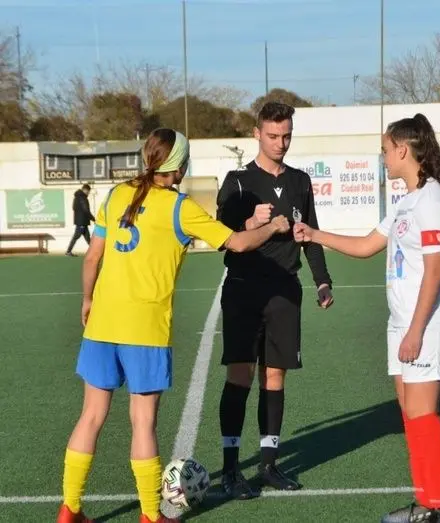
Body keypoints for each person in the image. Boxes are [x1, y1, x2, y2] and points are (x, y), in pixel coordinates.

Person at [56, 128, 290, 523]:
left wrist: (87, 299)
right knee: (143, 422)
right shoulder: (180, 208)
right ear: (179, 167)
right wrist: (273, 227)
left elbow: (92, 257)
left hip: (102, 324)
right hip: (144, 329)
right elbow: (237, 243)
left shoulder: (115, 195)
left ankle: (69, 509)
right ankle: (151, 515)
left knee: (90, 416)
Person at [293, 113, 440, 523]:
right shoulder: (407, 202)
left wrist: (416, 331)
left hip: (427, 323)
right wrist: (314, 235)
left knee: (423, 416)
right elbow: (368, 245)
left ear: (403, 150)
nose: (383, 157)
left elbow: (435, 271)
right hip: (401, 323)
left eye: (385, 150)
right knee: (411, 415)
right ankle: (426, 505)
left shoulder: (432, 200)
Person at [216, 101, 334, 499]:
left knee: (275, 376)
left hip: (285, 289)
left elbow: (311, 234)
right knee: (240, 375)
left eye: (286, 136)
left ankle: (268, 465)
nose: (280, 143)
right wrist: (249, 223)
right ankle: (230, 469)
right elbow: (222, 237)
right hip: (244, 288)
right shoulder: (237, 182)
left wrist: (322, 281)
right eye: (272, 135)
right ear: (256, 134)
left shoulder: (300, 181)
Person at [66, 184, 96, 256]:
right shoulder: (83, 198)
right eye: (88, 191)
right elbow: (86, 210)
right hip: (82, 222)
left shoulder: (76, 198)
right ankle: (68, 251)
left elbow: (74, 208)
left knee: (87, 238)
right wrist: (94, 219)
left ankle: (94, 251)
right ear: (85, 190)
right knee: (76, 236)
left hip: (81, 221)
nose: (88, 193)